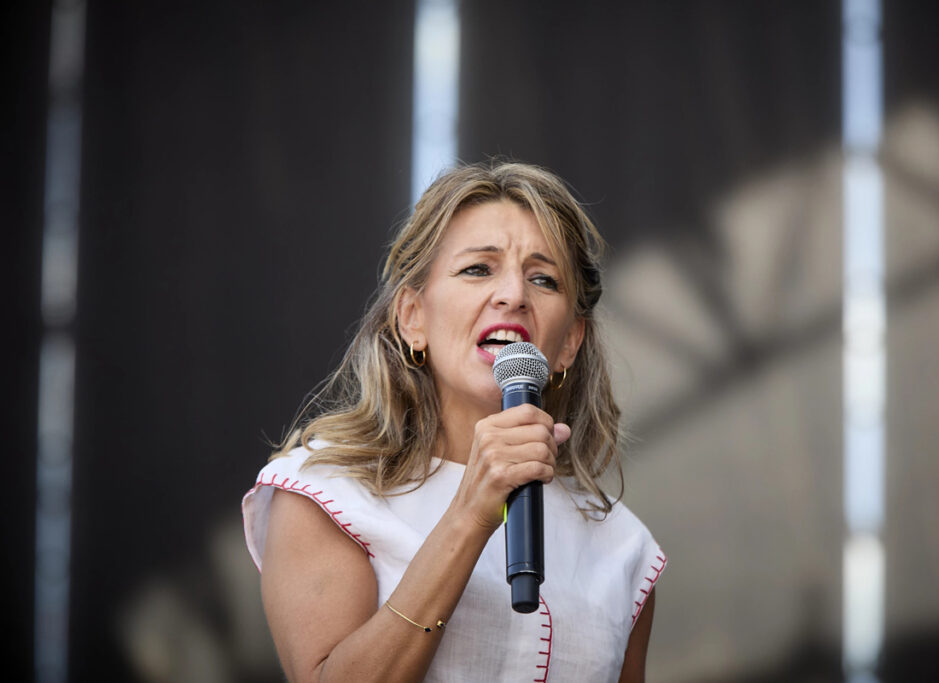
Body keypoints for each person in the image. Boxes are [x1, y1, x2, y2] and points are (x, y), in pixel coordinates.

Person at [242, 161, 666, 682]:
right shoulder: (325, 494)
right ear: (412, 317)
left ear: (570, 343)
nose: (514, 294)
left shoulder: (622, 550)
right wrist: (469, 514)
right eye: (478, 269)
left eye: (543, 278)